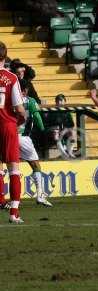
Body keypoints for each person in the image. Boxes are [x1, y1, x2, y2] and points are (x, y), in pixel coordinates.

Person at [0, 41, 26, 224]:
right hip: (7, 125)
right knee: (14, 170)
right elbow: (19, 108)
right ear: (4, 56)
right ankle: (14, 213)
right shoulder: (11, 78)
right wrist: (21, 119)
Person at [18, 79, 52, 207]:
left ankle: (8, 199)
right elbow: (37, 117)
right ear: (25, 90)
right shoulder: (30, 101)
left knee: (10, 168)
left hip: (8, 136)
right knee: (36, 165)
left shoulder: (9, 99)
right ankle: (40, 195)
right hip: (23, 138)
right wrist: (43, 130)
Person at [43, 94, 76, 158]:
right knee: (56, 134)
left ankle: (70, 152)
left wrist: (66, 130)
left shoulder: (67, 112)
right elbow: (49, 123)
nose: (59, 102)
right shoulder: (52, 111)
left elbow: (71, 124)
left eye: (61, 100)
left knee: (72, 133)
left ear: (65, 101)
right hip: (54, 130)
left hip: (64, 130)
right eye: (57, 101)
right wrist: (58, 129)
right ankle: (64, 154)